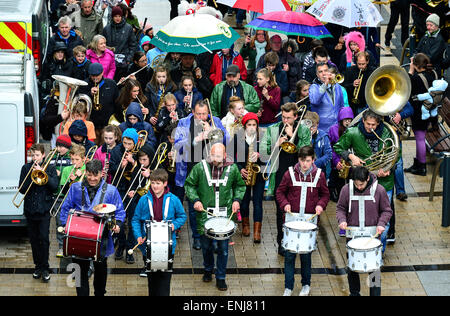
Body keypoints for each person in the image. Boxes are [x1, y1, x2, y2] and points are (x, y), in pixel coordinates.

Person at [185, 143, 246, 291]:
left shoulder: (233, 169)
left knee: (223, 249)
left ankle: (221, 277)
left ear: (225, 156)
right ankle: (207, 269)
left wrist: (237, 200)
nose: (215, 159)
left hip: (225, 216)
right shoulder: (200, 167)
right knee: (206, 246)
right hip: (206, 215)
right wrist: (196, 200)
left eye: (218, 156)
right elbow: (189, 185)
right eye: (212, 155)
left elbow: (240, 185)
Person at [59, 159, 125, 296]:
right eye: (89, 175)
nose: (92, 179)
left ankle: (100, 293)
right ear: (85, 173)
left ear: (102, 173)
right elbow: (65, 208)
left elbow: (119, 212)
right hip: (78, 235)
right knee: (79, 271)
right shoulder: (75, 188)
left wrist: (118, 224)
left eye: (96, 175)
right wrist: (65, 225)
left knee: (100, 271)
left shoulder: (111, 191)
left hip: (101, 236)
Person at [333, 109, 398, 245]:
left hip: (384, 181)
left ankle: (380, 250)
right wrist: (351, 156)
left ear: (378, 123)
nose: (370, 127)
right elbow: (338, 147)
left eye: (374, 125)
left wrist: (389, 169)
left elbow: (397, 155)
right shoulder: (353, 132)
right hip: (362, 181)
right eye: (368, 124)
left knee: (384, 224)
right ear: (363, 121)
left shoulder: (388, 132)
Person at [173, 100, 229, 250]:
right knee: (194, 206)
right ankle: (197, 236)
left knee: (214, 204)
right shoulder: (184, 123)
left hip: (213, 169)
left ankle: (214, 236)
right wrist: (196, 139)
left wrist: (213, 132)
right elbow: (177, 144)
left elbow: (227, 140)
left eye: (205, 114)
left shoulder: (214, 120)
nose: (202, 117)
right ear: (193, 112)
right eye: (199, 114)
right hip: (191, 169)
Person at [276, 145, 329, 296]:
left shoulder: (320, 175)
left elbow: (325, 195)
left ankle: (306, 284)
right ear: (298, 159)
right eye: (301, 160)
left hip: (309, 221)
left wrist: (320, 205)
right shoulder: (289, 173)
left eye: (307, 160)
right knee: (289, 255)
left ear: (313, 159)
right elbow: (280, 192)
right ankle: (288, 287)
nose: (304, 164)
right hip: (291, 220)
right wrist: (285, 204)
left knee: (306, 255)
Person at [261, 102, 311, 255]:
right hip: (281, 176)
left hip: (300, 176)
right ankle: (282, 241)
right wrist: (276, 144)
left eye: (289, 118)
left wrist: (291, 137)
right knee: (281, 211)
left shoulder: (303, 130)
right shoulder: (273, 129)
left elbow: (307, 151)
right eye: (283, 117)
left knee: (298, 209)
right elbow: (263, 151)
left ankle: (297, 239)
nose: (285, 121)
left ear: (296, 117)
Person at [336, 166, 392, 296]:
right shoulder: (346, 190)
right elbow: (340, 208)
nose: (359, 187)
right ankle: (354, 293)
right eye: (356, 184)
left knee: (374, 271)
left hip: (372, 237)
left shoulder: (379, 190)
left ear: (368, 178)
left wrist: (381, 223)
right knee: (352, 268)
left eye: (361, 184)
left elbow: (387, 210)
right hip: (353, 237)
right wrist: (342, 220)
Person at [132, 168, 187, 295]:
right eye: (153, 183)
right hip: (148, 246)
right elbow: (135, 219)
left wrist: (174, 225)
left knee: (164, 281)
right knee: (152, 281)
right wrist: (138, 235)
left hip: (167, 247)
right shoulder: (144, 199)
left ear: (165, 183)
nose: (155, 186)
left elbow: (182, 216)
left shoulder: (173, 199)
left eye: (158, 183)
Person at [19, 144, 58, 282]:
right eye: (32, 155)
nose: (34, 158)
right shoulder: (25, 168)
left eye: (37, 155)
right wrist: (31, 176)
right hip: (30, 210)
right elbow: (22, 189)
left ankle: (45, 268)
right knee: (34, 240)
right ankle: (38, 267)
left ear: (43, 155)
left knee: (44, 239)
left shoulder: (50, 168)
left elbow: (54, 187)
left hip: (44, 210)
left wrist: (43, 173)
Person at [404, 53, 439, 176]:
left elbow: (406, 88)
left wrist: (410, 70)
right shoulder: (434, 73)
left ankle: (421, 167)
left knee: (420, 138)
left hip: (419, 113)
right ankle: (418, 162)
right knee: (421, 137)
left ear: (417, 65)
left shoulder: (416, 78)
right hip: (432, 112)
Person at [233, 112, 265, 242]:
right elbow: (230, 157)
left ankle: (257, 231)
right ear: (244, 125)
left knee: (258, 203)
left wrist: (260, 155)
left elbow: (270, 156)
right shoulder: (237, 137)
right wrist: (240, 169)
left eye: (254, 125)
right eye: (249, 125)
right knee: (244, 202)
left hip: (258, 174)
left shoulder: (262, 137)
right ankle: (245, 225)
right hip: (244, 174)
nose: (252, 127)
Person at [79, 62, 120, 143]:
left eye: (97, 75)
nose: (95, 78)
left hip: (107, 124)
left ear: (102, 73)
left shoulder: (111, 84)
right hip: (91, 124)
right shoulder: (84, 84)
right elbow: (80, 103)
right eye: (92, 75)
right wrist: (89, 94)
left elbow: (117, 103)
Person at [49, 135, 73, 257]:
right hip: (57, 194)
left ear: (68, 147)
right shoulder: (52, 157)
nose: (59, 149)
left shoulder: (71, 158)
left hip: (68, 194)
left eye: (63, 146)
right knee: (59, 221)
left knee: (71, 222)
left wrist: (62, 173)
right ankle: (61, 246)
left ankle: (71, 245)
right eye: (58, 146)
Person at [102, 5, 138, 82]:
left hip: (124, 62)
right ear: (112, 17)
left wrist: (128, 59)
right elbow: (103, 45)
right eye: (115, 16)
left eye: (119, 16)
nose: (117, 18)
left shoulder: (128, 28)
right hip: (110, 61)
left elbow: (133, 44)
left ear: (122, 16)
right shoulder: (106, 29)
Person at [327, 107, 354, 204]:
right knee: (337, 182)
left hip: (350, 162)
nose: (348, 122)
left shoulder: (354, 130)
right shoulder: (333, 129)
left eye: (350, 120)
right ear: (341, 120)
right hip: (338, 162)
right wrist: (336, 161)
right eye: (346, 120)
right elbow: (331, 148)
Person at [309, 62, 346, 133]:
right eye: (320, 72)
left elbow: (342, 106)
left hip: (337, 128)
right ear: (317, 75)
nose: (323, 73)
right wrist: (325, 84)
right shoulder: (313, 87)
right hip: (322, 130)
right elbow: (315, 101)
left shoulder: (337, 86)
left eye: (325, 71)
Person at [304, 111, 332, 178]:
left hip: (319, 171)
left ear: (317, 124)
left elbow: (328, 155)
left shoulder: (323, 136)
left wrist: (314, 164)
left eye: (313, 126)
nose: (310, 129)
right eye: (308, 126)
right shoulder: (301, 135)